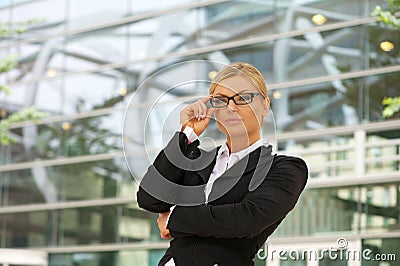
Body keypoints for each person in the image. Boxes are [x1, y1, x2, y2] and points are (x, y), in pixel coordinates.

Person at [136, 62, 308, 266]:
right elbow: (149, 199)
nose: (231, 107)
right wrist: (187, 134)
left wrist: (174, 218)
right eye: (221, 100)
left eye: (243, 98)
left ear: (265, 105)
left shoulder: (284, 169)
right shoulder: (197, 161)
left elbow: (247, 219)